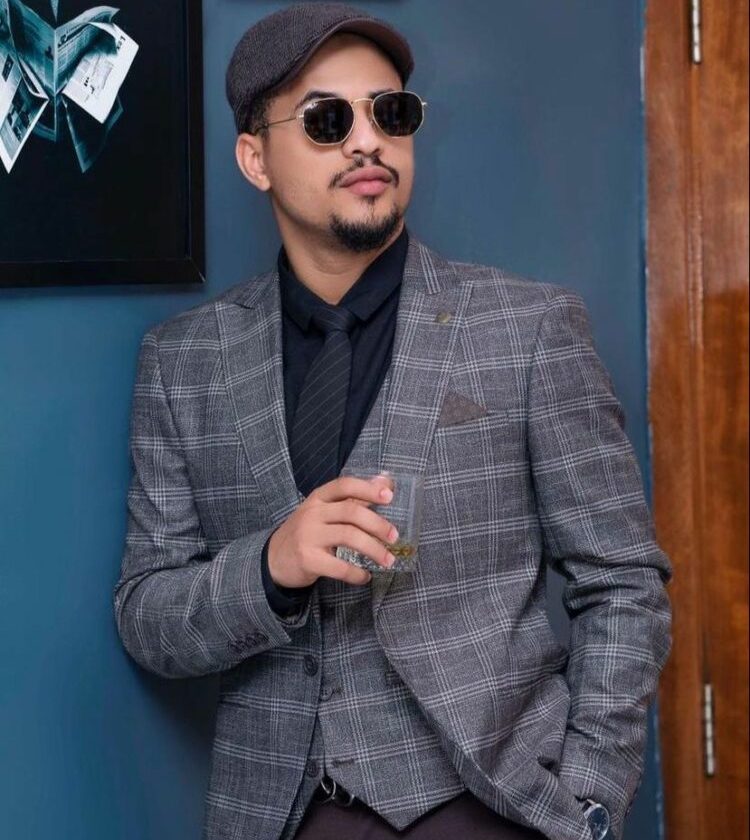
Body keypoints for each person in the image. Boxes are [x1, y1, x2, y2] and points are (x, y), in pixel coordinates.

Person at [112, 4, 672, 840]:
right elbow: (146, 614)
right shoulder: (182, 360)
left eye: (391, 113)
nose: (368, 142)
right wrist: (270, 566)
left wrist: (586, 805)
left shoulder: (527, 330)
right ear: (255, 158)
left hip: (490, 807)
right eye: (327, 121)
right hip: (278, 816)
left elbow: (623, 580)